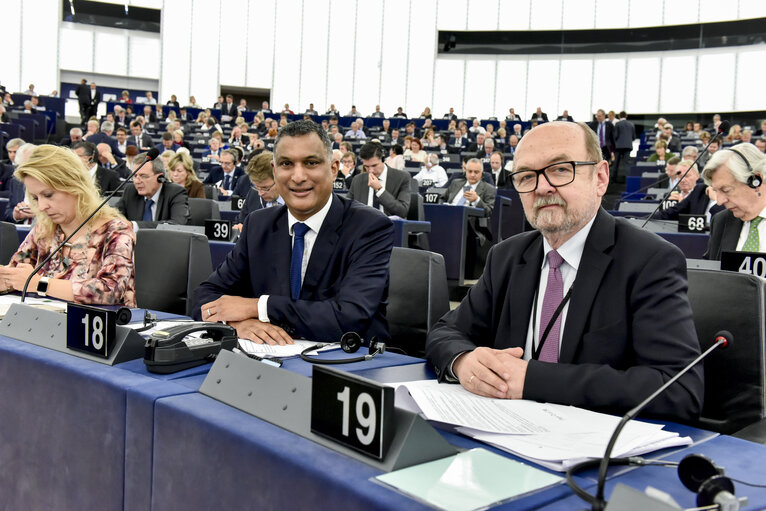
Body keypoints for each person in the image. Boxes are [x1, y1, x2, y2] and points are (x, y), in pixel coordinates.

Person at [426, 121, 703, 421]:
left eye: (560, 169)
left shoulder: (650, 260)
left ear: (600, 178)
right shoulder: (505, 256)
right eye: (527, 176)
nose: (542, 187)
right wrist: (465, 362)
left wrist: (532, 380)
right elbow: (445, 331)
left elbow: (679, 389)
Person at [193, 120, 394, 344]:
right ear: (274, 170)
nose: (298, 177)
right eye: (286, 164)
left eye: (311, 163)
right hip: (268, 365)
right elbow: (205, 296)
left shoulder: (370, 226)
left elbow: (348, 318)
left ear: (333, 168)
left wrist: (258, 307)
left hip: (344, 366)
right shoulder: (258, 225)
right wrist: (237, 324)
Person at [0, 145, 135, 306]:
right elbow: (15, 272)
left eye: (48, 195)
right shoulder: (43, 228)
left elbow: (110, 291)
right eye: (36, 198)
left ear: (74, 186)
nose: (42, 206)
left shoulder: (115, 230)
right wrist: (7, 280)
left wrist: (39, 284)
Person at [703, 144, 766, 260]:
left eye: (726, 190)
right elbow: (712, 273)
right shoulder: (721, 221)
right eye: (716, 191)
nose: (719, 202)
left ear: (755, 181)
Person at [115, 152, 190, 229]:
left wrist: (135, 225)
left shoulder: (175, 192)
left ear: (160, 178)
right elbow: (114, 216)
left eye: (143, 176)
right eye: (135, 176)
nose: (137, 181)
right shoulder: (130, 191)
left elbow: (177, 224)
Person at [347, 142, 411, 218]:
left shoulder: (402, 177)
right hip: (363, 226)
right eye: (366, 166)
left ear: (383, 158)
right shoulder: (357, 180)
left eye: (374, 165)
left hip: (389, 226)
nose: (371, 170)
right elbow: (347, 209)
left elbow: (402, 211)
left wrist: (379, 190)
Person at [234, 151, 284, 229]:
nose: (260, 193)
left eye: (265, 188)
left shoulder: (298, 200)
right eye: (257, 187)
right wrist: (239, 227)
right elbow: (240, 221)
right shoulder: (253, 194)